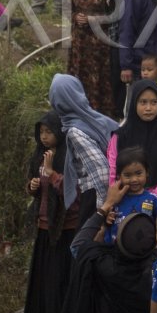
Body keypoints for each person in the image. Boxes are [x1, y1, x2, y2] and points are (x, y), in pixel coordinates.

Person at [23, 111, 78, 313]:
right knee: (45, 281)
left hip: (66, 228)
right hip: (45, 227)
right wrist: (32, 185)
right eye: (41, 132)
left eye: (49, 132)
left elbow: (71, 191)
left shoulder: (68, 155)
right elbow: (33, 187)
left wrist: (50, 171)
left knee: (61, 280)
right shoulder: (38, 156)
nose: (45, 137)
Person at [49, 74, 119, 228]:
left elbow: (101, 173)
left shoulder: (75, 131)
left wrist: (103, 211)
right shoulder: (97, 119)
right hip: (116, 188)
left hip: (96, 196)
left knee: (84, 247)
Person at [106, 80, 157, 205]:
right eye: (143, 102)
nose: (148, 108)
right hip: (125, 200)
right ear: (134, 104)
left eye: (154, 102)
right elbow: (113, 172)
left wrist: (152, 197)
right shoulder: (120, 137)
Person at [68, 0, 116, 115]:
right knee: (80, 72)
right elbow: (69, 11)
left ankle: (99, 110)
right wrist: (76, 17)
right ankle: (79, 108)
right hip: (80, 40)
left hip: (98, 40)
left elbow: (111, 14)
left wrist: (91, 20)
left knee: (98, 73)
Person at [97, 147, 157, 246]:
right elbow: (104, 226)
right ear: (119, 176)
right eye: (128, 175)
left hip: (145, 254)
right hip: (115, 254)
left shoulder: (153, 200)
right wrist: (107, 220)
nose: (134, 179)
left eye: (138, 173)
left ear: (147, 172)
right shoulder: (114, 200)